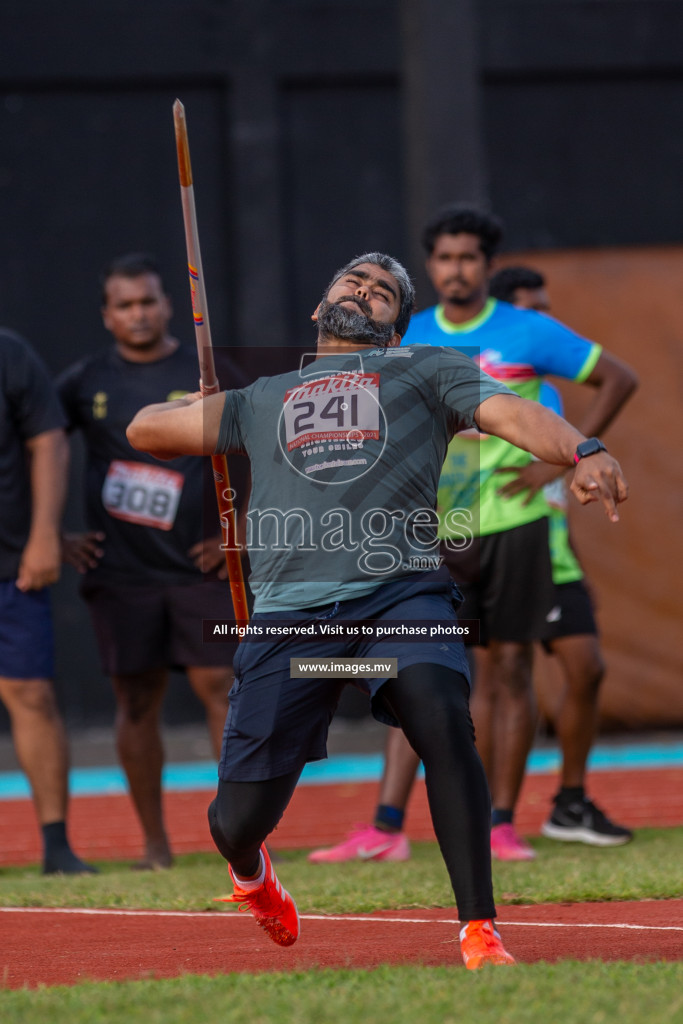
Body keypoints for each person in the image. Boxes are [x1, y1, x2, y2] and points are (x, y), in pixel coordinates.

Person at [126, 251, 627, 967]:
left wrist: (583, 450)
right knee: (235, 823)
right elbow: (143, 431)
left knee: (438, 713)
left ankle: (478, 931)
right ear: (319, 308)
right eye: (352, 281)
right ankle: (252, 876)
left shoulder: (425, 371)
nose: (363, 291)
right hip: (293, 617)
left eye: (383, 291)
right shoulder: (262, 396)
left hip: (399, 592)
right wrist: (197, 405)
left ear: (395, 326)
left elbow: (513, 412)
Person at [309, 208, 636, 865]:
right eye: (444, 258)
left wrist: (565, 458)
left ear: (486, 265)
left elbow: (616, 379)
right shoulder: (409, 334)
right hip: (433, 526)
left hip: (514, 524)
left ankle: (501, 824)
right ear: (429, 267)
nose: (455, 269)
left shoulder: (528, 331)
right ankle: (385, 826)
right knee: (410, 670)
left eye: (467, 258)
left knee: (508, 668)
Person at [57, 254, 243, 869]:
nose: (138, 314)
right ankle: (155, 846)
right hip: (122, 572)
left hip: (201, 566)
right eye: (125, 304)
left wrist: (237, 529)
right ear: (107, 315)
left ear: (169, 306)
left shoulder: (207, 372)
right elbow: (37, 444)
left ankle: (240, 835)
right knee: (136, 700)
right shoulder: (83, 382)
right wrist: (55, 530)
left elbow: (269, 444)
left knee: (221, 686)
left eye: (148, 301)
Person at [487, 264, 632, 844]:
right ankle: (491, 819)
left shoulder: (548, 398)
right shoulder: (489, 397)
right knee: (496, 681)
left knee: (587, 667)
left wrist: (559, 469)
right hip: (500, 549)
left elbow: (558, 483)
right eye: (534, 309)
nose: (548, 320)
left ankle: (569, 802)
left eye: (549, 307)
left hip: (555, 556)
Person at [0, 327, 96, 875]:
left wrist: (43, 534)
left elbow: (49, 441)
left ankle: (57, 845)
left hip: (11, 567)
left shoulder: (10, 352)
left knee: (31, 696)